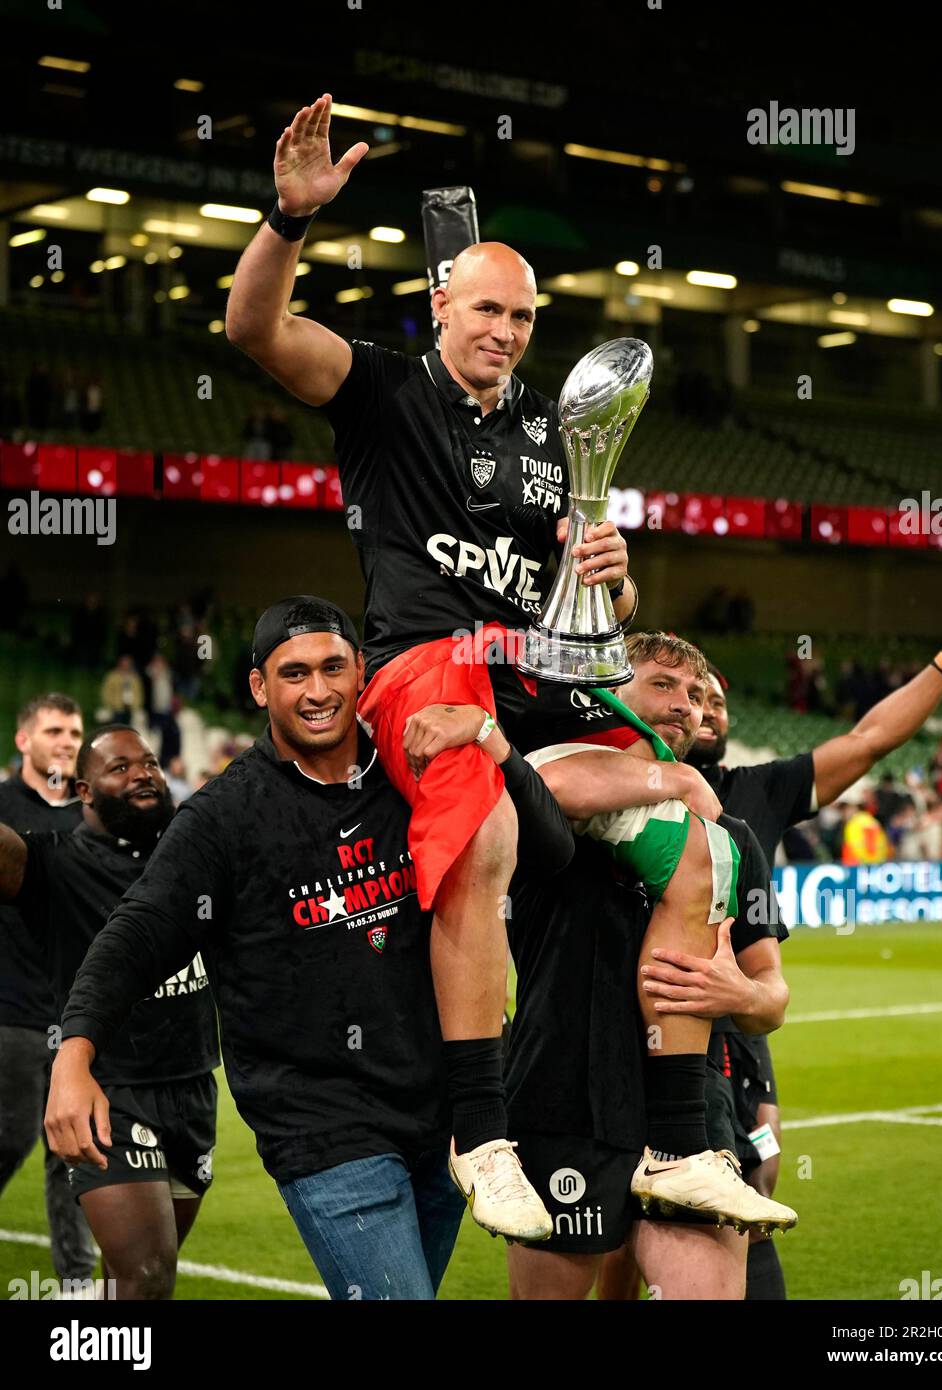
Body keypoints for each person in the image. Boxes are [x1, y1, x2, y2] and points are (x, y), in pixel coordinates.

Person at [225, 93, 729, 1240]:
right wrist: (286, 220)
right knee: (492, 831)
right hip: (422, 670)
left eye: (524, 314)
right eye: (487, 306)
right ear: (441, 301)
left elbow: (598, 602)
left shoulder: (556, 433)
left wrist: (615, 572)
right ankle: (479, 1129)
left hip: (536, 680)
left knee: (696, 818)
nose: (505, 328)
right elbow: (255, 333)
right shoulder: (383, 390)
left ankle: (677, 1137)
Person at [45, 597, 575, 1299]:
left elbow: (551, 853)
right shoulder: (224, 816)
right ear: (260, 687)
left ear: (362, 671)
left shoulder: (411, 769)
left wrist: (487, 734)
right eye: (294, 674)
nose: (318, 691)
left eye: (333, 668)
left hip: (445, 1118)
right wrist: (74, 1055)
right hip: (324, 1130)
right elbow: (138, 933)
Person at [599, 571, 942, 1302]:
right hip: (607, 1037)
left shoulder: (752, 797)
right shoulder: (595, 784)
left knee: (754, 1181)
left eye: (712, 699)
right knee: (610, 1235)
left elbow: (871, 736)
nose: (704, 708)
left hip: (731, 1045)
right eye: (687, 693)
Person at [506, 638, 792, 1300]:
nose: (686, 706)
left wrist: (741, 992)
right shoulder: (552, 789)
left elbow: (774, 997)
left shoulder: (734, 840)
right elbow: (549, 785)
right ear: (609, 690)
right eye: (664, 685)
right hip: (561, 1093)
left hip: (689, 1113)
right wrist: (675, 779)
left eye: (696, 696)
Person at [0, 724, 218, 1300]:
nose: (141, 773)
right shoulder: (52, 862)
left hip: (192, 1087)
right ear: (84, 790)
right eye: (119, 767)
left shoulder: (190, 856)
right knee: (146, 1277)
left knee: (140, 1280)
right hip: (107, 1094)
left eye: (147, 763)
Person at [0, 694, 95, 1288]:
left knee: (74, 1157)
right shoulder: (1, 809)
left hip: (76, 1017)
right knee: (7, 1139)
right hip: (10, 1011)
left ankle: (77, 1282)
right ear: (23, 741)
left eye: (76, 732)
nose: (66, 741)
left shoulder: (92, 814)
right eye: (55, 730)